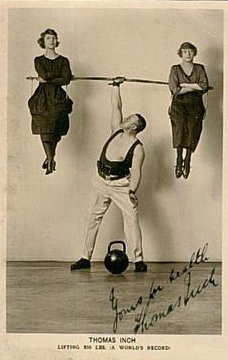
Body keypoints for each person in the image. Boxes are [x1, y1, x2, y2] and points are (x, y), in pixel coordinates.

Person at [71, 77, 147, 272]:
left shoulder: (137, 148)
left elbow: (137, 173)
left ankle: (138, 261)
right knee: (93, 218)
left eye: (130, 119)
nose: (126, 119)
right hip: (101, 182)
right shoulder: (116, 131)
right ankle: (84, 258)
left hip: (121, 186)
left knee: (131, 221)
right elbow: (116, 107)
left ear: (134, 127)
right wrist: (116, 86)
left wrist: (132, 192)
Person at [28, 29, 73, 175]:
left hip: (58, 96)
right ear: (43, 41)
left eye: (54, 38)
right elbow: (43, 74)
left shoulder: (64, 60)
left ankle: (49, 159)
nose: (52, 40)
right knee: (44, 125)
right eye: (48, 38)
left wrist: (48, 78)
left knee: (56, 128)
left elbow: (66, 79)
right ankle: (50, 158)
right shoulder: (38, 60)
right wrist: (55, 77)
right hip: (42, 97)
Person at [168, 42, 209, 179]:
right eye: (185, 52)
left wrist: (184, 85)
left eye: (190, 51)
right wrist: (195, 86)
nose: (188, 54)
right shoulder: (175, 69)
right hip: (178, 105)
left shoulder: (199, 68)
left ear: (194, 53)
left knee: (192, 129)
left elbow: (204, 86)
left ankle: (188, 160)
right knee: (179, 128)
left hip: (195, 104)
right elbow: (174, 89)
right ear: (181, 53)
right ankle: (179, 160)